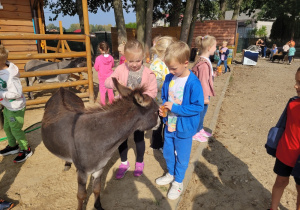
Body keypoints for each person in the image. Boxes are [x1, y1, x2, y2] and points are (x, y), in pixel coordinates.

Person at [155, 41, 204, 200]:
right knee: (168, 152)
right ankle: (171, 172)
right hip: (169, 124)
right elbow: (164, 96)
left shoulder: (193, 83)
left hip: (184, 128)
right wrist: (163, 108)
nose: (170, 71)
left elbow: (197, 107)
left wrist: (175, 108)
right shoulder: (169, 78)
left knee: (182, 156)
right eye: (169, 67)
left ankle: (178, 181)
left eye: (174, 68)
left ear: (185, 63)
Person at [105, 40, 157, 179]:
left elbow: (153, 92)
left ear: (143, 57)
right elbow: (107, 82)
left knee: (139, 138)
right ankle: (124, 163)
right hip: (123, 112)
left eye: (138, 61)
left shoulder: (149, 73)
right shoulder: (121, 69)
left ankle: (139, 163)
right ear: (126, 59)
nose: (134, 64)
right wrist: (116, 83)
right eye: (131, 61)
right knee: (122, 139)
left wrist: (144, 97)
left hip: (139, 113)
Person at [269, 67, 300, 210]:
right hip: (285, 153)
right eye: (296, 81)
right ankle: (273, 208)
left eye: (299, 83)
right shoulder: (292, 103)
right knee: (280, 181)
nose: (295, 86)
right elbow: (282, 125)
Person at [0, 45, 32, 163]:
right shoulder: (1, 70)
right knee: (7, 128)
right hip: (7, 106)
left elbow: (17, 93)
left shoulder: (11, 76)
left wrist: (2, 95)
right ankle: (13, 146)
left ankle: (25, 149)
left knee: (16, 129)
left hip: (15, 107)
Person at [149, 36, 176, 152]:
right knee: (159, 124)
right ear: (164, 52)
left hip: (169, 100)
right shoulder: (155, 65)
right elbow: (155, 84)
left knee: (170, 123)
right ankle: (156, 144)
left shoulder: (166, 62)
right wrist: (171, 85)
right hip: (159, 102)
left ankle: (169, 143)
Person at [191, 35, 216, 143]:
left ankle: (200, 129)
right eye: (215, 46)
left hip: (202, 93)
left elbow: (206, 77)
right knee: (200, 113)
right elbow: (202, 82)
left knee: (203, 113)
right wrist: (205, 97)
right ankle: (195, 132)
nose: (216, 48)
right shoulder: (204, 64)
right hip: (202, 94)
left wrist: (213, 75)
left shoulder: (203, 60)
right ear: (209, 48)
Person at [94, 41, 115, 105]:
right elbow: (112, 65)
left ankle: (103, 104)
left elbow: (96, 68)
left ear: (100, 49)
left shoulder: (98, 58)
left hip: (102, 77)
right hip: (110, 76)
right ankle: (112, 103)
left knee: (102, 92)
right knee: (110, 91)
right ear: (108, 49)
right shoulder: (111, 58)